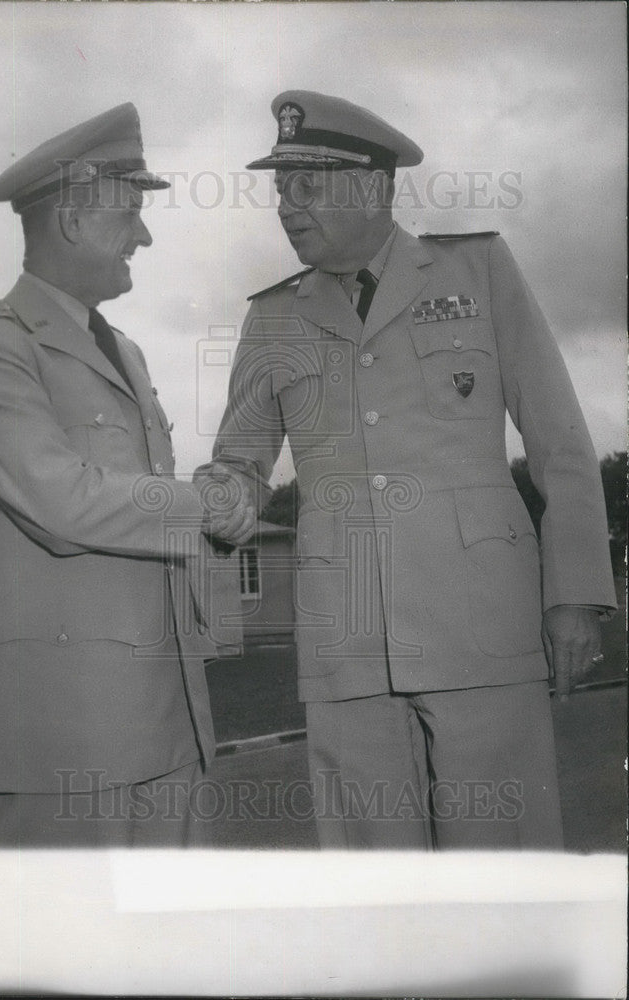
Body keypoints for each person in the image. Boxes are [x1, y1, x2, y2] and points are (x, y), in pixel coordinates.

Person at [201, 90, 617, 849]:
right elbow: (241, 459)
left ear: (370, 185)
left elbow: (559, 439)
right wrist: (224, 491)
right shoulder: (274, 318)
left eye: (308, 184)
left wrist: (577, 594)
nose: (286, 205)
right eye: (280, 187)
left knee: (506, 861)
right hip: (346, 634)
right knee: (375, 881)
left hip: (481, 623)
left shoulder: (478, 269)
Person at [0, 103, 253, 849]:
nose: (143, 236)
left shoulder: (130, 354)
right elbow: (63, 502)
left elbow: (146, 507)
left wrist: (225, 504)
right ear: (76, 221)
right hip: (62, 735)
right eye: (131, 215)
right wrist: (198, 507)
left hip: (167, 719)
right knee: (62, 955)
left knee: (167, 957)